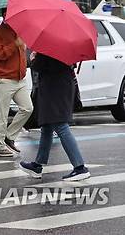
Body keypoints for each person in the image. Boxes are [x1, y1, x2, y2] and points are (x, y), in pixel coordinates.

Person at [20, 53, 90, 181]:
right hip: (59, 87)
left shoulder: (49, 47)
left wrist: (34, 59)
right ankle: (38, 165)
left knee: (60, 125)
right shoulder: (65, 45)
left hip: (54, 90)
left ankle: (80, 167)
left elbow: (41, 65)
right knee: (47, 127)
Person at [0, 20, 33, 157]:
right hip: (4, 79)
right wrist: (15, 45)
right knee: (2, 114)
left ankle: (9, 136)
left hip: (19, 78)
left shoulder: (19, 31)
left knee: (27, 108)